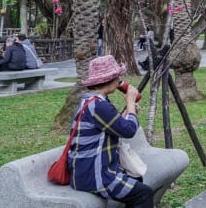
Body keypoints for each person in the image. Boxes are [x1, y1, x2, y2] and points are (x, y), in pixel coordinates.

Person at [65, 55, 151, 207]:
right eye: (118, 77)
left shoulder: (92, 100)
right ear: (110, 80)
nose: (120, 81)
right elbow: (128, 130)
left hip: (86, 171)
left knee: (137, 181)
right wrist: (130, 103)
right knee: (143, 194)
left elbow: (115, 126)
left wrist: (129, 112)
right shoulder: (98, 105)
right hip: (94, 175)